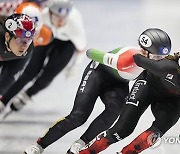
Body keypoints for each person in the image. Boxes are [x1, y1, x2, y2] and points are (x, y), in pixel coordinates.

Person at [22, 28, 169, 154]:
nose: (159, 62)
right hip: (97, 74)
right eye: (156, 57)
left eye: (162, 58)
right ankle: (39, 145)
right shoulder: (126, 59)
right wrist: (110, 59)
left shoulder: (155, 64)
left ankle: (81, 143)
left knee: (114, 112)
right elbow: (91, 53)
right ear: (144, 52)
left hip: (118, 83)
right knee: (78, 117)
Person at [78, 28, 180, 154]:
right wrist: (119, 59)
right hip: (148, 86)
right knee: (122, 129)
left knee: (154, 134)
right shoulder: (168, 68)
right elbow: (138, 58)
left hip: (173, 99)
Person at [0, 0, 87, 114]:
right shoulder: (40, 17)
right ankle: (4, 99)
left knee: (47, 76)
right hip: (39, 38)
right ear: (49, 12)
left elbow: (81, 48)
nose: (60, 21)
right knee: (30, 71)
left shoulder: (73, 26)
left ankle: (27, 94)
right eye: (57, 16)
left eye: (64, 17)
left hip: (67, 44)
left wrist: (75, 66)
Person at [0, 13, 36, 111]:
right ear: (7, 36)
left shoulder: (28, 50)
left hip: (12, 58)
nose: (24, 46)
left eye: (28, 40)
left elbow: (10, 77)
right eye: (20, 40)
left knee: (3, 87)